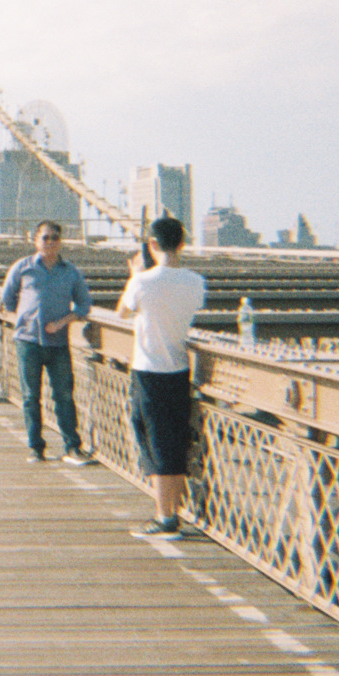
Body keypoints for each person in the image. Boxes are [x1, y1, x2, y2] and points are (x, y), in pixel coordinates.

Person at [117, 216, 207, 537]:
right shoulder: (197, 282)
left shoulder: (141, 282)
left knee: (154, 444)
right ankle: (173, 511)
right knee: (174, 441)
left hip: (148, 371)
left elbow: (123, 313)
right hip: (180, 370)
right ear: (182, 243)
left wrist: (135, 275)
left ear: (152, 244)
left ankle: (165, 517)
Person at [0, 221, 94, 464]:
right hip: (28, 342)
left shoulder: (71, 271)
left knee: (63, 395)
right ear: (36, 240)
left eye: (54, 238)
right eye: (45, 237)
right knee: (31, 396)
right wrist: (21, 321)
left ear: (60, 241)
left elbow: (84, 305)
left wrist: (63, 322)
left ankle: (72, 446)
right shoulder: (23, 267)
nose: (50, 242)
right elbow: (7, 301)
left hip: (58, 342)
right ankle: (36, 448)